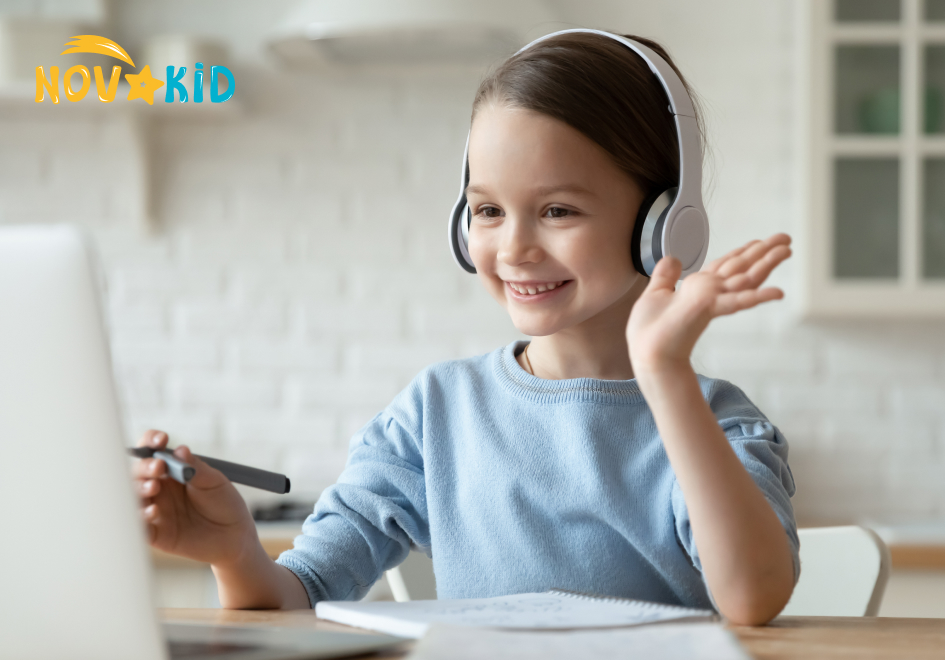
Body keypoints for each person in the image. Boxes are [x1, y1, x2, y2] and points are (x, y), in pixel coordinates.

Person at [134, 31, 798, 626]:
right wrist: (234, 552)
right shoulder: (434, 414)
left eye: (558, 210)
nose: (514, 248)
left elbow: (752, 597)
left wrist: (664, 373)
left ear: (664, 223)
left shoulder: (718, 423)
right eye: (487, 210)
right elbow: (300, 593)